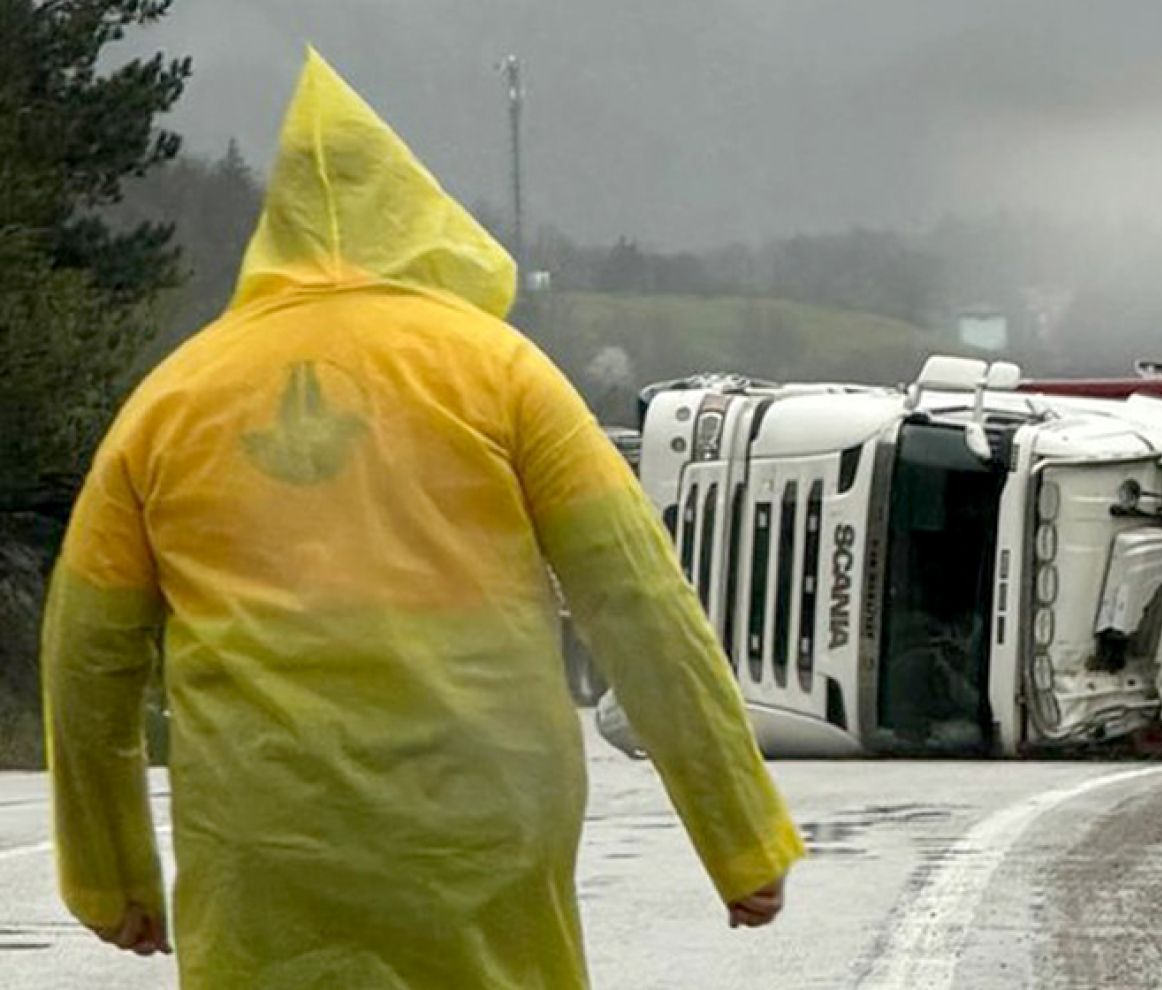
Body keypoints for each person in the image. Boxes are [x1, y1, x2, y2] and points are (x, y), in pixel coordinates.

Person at [41, 48, 803, 988]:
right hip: (478, 825)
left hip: (263, 836)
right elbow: (641, 604)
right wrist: (737, 835)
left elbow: (85, 660)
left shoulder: (170, 402)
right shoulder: (502, 371)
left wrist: (112, 876)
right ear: (417, 220)